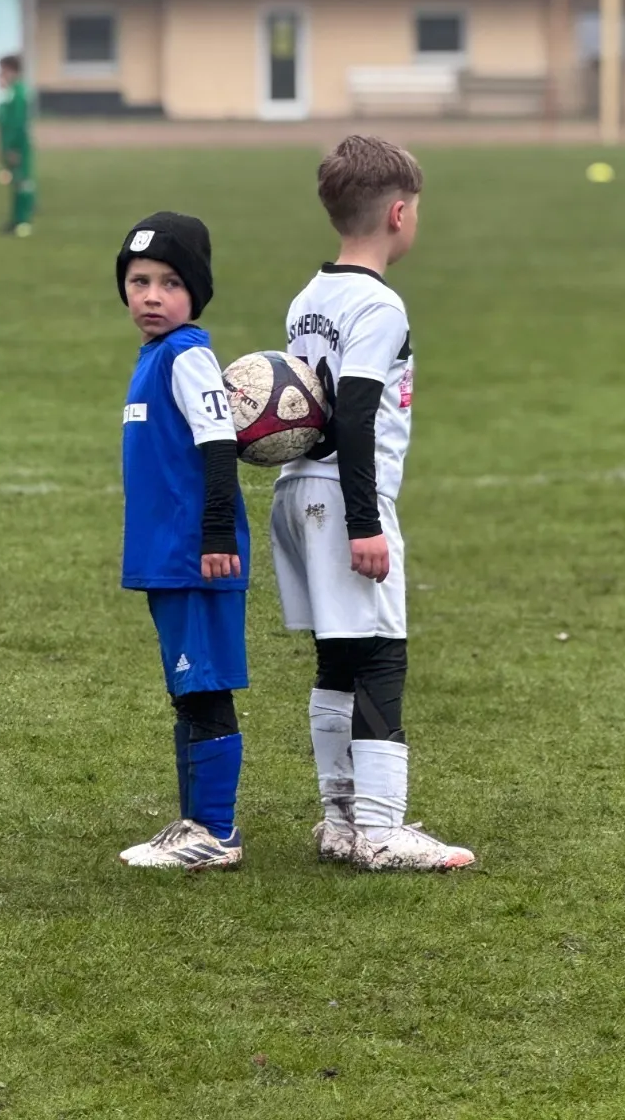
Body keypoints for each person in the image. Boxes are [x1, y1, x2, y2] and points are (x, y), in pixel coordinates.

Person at [270, 135, 475, 873]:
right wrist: (366, 524)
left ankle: (340, 820)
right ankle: (382, 830)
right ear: (398, 214)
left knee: (338, 655)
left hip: (297, 488)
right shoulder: (378, 304)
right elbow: (354, 415)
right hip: (346, 496)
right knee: (382, 653)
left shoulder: (309, 297)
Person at [115, 211, 251, 871]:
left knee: (204, 687)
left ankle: (216, 833)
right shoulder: (155, 356)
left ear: (196, 292)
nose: (151, 296)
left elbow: (218, 444)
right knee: (186, 688)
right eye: (139, 281)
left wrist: (217, 531)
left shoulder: (188, 354)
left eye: (170, 283)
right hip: (167, 558)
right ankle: (196, 823)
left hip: (199, 557)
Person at [0, 55, 35, 236]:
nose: (0, 74)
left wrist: (13, 148)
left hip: (17, 146)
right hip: (11, 144)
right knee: (15, 182)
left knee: (22, 182)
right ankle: (16, 219)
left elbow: (17, 123)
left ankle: (23, 222)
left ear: (11, 70)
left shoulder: (18, 92)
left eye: (2, 70)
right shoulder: (11, 90)